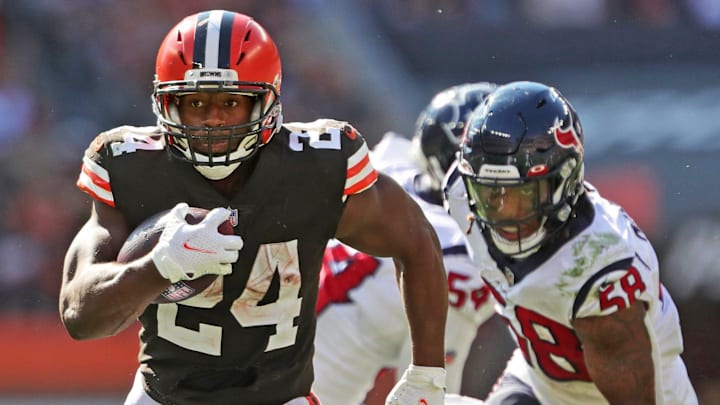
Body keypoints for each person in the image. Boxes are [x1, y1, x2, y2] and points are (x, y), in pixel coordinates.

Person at [59, 10, 449, 405]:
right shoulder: (132, 167)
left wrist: (427, 373)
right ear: (168, 103)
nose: (213, 120)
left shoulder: (318, 167)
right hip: (163, 398)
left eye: (231, 102)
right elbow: (79, 315)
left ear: (267, 100)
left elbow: (417, 243)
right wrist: (162, 265)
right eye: (196, 102)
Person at [443, 81, 698, 404]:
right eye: (492, 195)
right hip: (540, 379)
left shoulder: (598, 267)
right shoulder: (462, 192)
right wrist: (422, 373)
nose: (505, 213)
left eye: (523, 196)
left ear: (565, 180)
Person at [311, 83, 499, 405]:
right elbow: (431, 390)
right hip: (310, 388)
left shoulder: (387, 162)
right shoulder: (458, 255)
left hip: (281, 344)